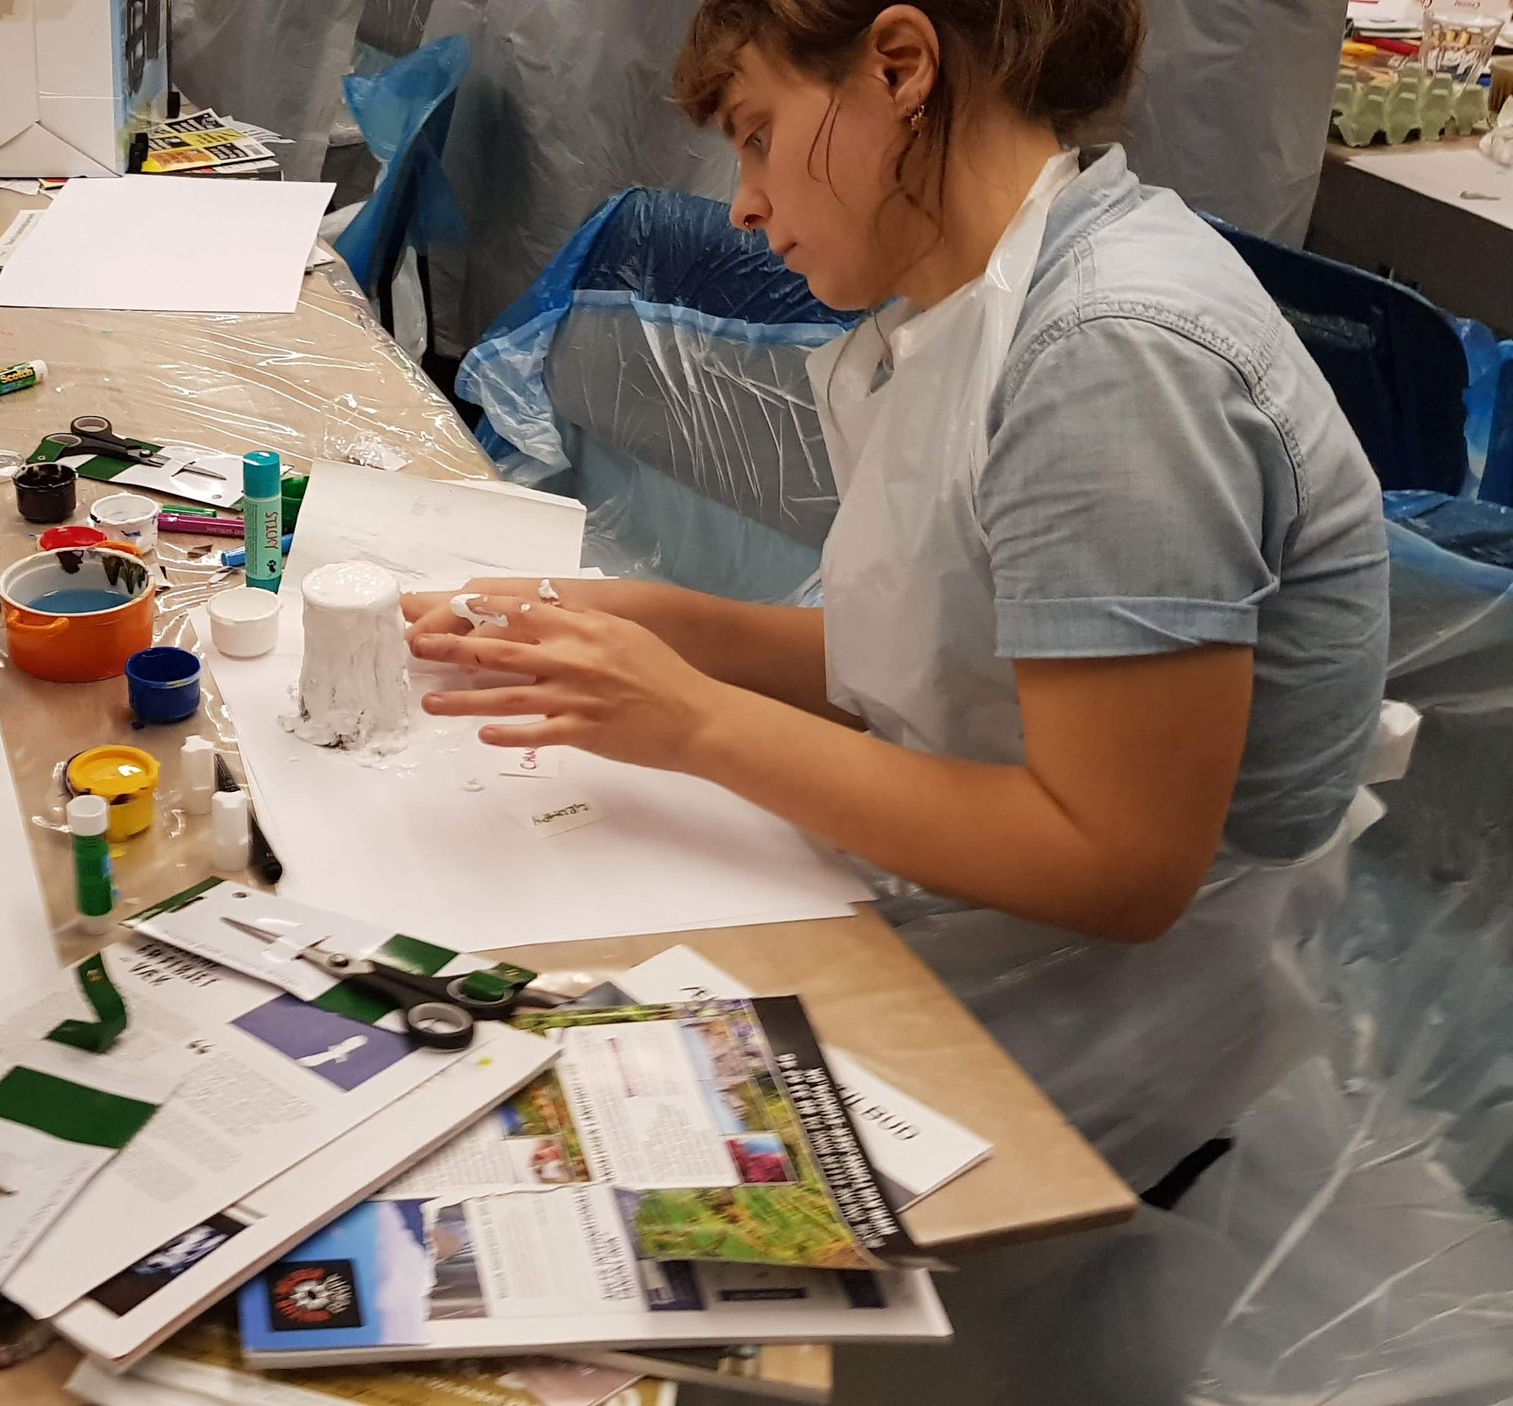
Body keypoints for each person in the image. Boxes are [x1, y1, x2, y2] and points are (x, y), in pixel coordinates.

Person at [405, 0, 1389, 1195]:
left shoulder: (1111, 355)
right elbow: (957, 659)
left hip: (1087, 1023)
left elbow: (1119, 864)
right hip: (984, 918)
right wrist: (666, 628)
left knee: (527, 1118)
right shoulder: (983, 299)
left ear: (900, 66)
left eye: (759, 135)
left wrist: (697, 721)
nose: (743, 204)